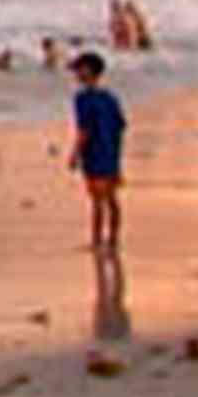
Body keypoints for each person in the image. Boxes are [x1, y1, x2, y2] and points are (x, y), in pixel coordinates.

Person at [68, 50, 127, 252]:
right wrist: (117, 155)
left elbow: (84, 130)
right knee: (111, 199)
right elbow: (120, 126)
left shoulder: (82, 99)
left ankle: (96, 240)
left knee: (97, 201)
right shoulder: (110, 98)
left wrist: (75, 153)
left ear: (88, 71)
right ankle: (113, 238)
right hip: (111, 152)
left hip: (94, 153)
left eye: (78, 69)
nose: (76, 74)